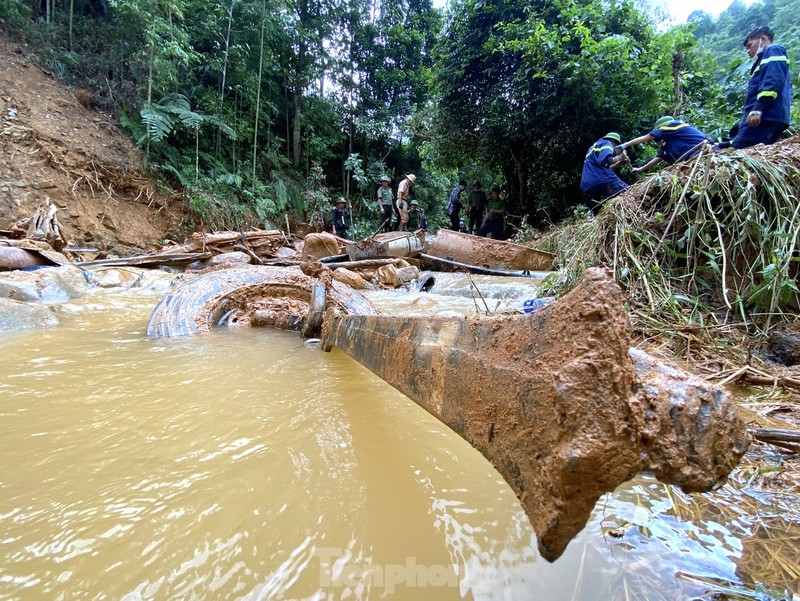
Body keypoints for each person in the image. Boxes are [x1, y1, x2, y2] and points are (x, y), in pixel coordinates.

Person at [727, 27, 792, 149]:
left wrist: (758, 108)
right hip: (765, 117)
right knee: (735, 140)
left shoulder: (774, 51)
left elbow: (773, 80)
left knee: (736, 149)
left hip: (765, 117)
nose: (748, 51)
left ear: (762, 39)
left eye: (749, 46)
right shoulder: (762, 60)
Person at [617, 116, 711, 173]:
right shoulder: (670, 140)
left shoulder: (674, 124)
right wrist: (641, 168)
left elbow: (648, 137)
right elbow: (660, 157)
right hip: (693, 159)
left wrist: (625, 145)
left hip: (701, 151)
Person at [580, 132, 629, 211]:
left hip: (587, 185)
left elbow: (601, 166)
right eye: (615, 145)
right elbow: (605, 160)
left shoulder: (592, 148)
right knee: (628, 192)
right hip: (603, 180)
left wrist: (619, 163)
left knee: (595, 210)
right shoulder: (607, 142)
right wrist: (619, 157)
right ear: (614, 141)